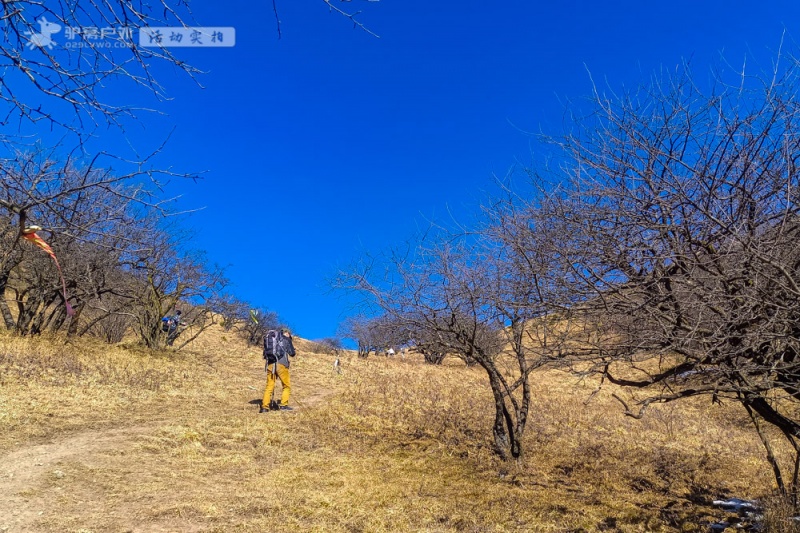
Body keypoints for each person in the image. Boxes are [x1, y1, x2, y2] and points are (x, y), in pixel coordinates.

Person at [261, 329, 296, 413]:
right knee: (286, 386)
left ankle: (264, 407)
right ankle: (284, 405)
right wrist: (290, 341)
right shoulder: (286, 339)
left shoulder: (272, 339)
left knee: (269, 386)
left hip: (270, 364)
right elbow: (292, 353)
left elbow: (264, 353)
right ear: (287, 333)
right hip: (281, 364)